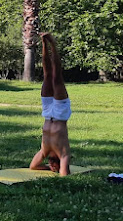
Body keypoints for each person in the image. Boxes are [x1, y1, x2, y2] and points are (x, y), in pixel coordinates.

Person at [29, 33, 71, 176]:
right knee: (57, 77)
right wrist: (62, 169)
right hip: (60, 114)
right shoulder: (63, 154)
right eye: (54, 168)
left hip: (48, 114)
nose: (53, 168)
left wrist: (46, 168)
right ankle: (52, 43)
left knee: (47, 76)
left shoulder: (45, 151)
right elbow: (64, 173)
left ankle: (44, 44)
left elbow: (33, 166)